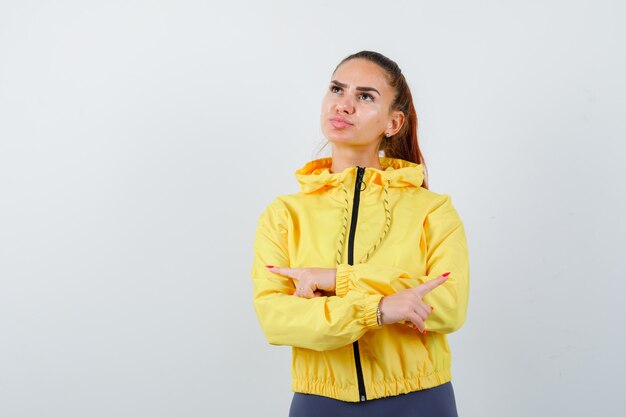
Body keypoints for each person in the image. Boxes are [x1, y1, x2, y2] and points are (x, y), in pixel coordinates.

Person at [250, 50, 470, 417]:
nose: (344, 105)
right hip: (320, 404)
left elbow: (447, 306)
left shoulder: (431, 209)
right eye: (337, 89)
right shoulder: (284, 214)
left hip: (418, 401)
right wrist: (379, 309)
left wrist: (336, 279)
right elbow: (276, 318)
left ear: (393, 122)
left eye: (365, 96)